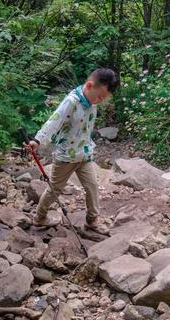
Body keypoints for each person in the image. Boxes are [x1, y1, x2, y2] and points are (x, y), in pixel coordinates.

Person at [26, 67, 120, 233]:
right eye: (99, 96)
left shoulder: (91, 102)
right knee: (55, 189)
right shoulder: (71, 101)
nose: (100, 101)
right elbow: (54, 121)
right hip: (65, 156)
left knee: (92, 186)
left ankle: (92, 220)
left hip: (83, 154)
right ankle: (39, 217)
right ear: (89, 85)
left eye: (104, 99)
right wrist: (37, 140)